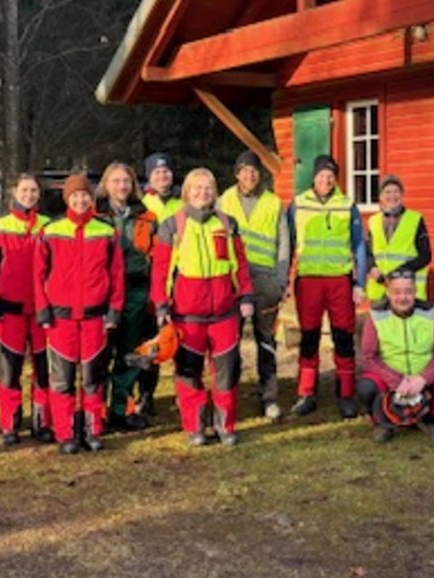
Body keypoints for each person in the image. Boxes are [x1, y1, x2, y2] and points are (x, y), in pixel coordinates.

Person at [151, 168, 255, 446]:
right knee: (188, 373)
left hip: (225, 313)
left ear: (215, 192)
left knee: (227, 372)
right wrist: (161, 305)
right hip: (187, 315)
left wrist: (246, 296)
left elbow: (241, 265)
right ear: (186, 192)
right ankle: (195, 427)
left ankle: (225, 425)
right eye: (197, 188)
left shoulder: (227, 223)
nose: (202, 193)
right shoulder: (172, 226)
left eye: (208, 188)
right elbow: (160, 271)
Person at [34, 173, 124, 454]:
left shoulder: (106, 232)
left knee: (92, 377)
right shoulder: (51, 231)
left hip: (95, 316)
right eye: (75, 196)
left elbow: (117, 275)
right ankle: (65, 433)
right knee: (62, 379)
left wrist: (114, 311)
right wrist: (42, 310)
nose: (81, 200)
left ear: (92, 197)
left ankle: (92, 430)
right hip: (60, 317)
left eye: (85, 195)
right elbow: (38, 275)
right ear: (67, 199)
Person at [287, 154, 366, 418]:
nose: (326, 179)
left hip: (339, 281)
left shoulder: (347, 205)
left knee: (343, 336)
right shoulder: (297, 204)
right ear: (313, 177)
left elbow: (359, 246)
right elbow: (287, 245)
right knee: (308, 337)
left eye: (331, 176)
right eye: (322, 175)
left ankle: (346, 395)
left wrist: (359, 281)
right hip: (308, 280)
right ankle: (306, 393)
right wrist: (285, 280)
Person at [0, 173, 52, 445]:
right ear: (14, 192)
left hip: (43, 311)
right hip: (9, 311)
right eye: (25, 190)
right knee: (9, 369)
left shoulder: (48, 226)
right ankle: (9, 423)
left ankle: (42, 421)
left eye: (34, 191)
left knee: (44, 369)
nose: (29, 195)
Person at [217, 150, 290, 420]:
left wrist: (281, 279)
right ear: (237, 174)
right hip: (233, 279)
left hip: (265, 282)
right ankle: (230, 397)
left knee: (266, 341)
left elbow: (284, 244)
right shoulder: (223, 200)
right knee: (230, 342)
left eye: (254, 170)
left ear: (260, 174)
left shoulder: (274, 203)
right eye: (244, 170)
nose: (249, 175)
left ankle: (269, 396)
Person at [357, 271, 434, 443]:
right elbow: (368, 357)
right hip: (392, 380)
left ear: (415, 292)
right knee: (366, 387)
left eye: (408, 291)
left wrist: (422, 379)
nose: (403, 297)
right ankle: (384, 422)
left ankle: (430, 419)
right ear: (388, 293)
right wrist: (397, 381)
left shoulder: (430, 314)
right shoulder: (375, 316)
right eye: (397, 292)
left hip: (423, 380)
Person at [95, 161, 159, 431]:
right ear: (106, 184)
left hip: (136, 290)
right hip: (102, 292)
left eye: (126, 181)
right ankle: (95, 413)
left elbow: (158, 258)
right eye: (116, 181)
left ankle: (121, 408)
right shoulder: (94, 215)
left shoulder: (148, 217)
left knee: (130, 353)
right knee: (98, 354)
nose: (121, 186)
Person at [364, 175, 432, 304]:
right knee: (379, 324)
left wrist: (401, 272)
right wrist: (372, 267)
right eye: (387, 192)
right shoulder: (373, 221)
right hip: (379, 289)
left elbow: (426, 255)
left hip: (406, 290)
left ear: (402, 195)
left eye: (396, 191)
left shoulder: (415, 219)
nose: (392, 196)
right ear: (381, 196)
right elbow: (368, 252)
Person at [141, 152, 183, 220]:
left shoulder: (184, 198)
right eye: (157, 172)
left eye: (165, 171)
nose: (162, 176)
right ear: (149, 177)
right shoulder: (141, 200)